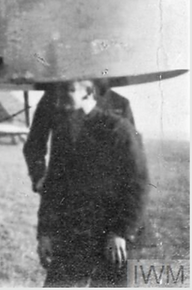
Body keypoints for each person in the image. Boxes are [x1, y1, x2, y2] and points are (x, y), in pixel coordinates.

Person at [35, 80, 148, 287]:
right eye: (58, 90)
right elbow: (53, 187)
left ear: (88, 92)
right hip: (70, 236)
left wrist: (121, 232)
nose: (59, 97)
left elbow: (137, 185)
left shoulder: (118, 129)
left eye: (68, 90)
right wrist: (44, 233)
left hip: (111, 238)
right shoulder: (62, 133)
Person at [23, 80, 135, 193]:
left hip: (102, 197)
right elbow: (34, 144)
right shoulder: (53, 98)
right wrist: (39, 178)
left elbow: (132, 156)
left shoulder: (119, 104)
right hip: (61, 194)